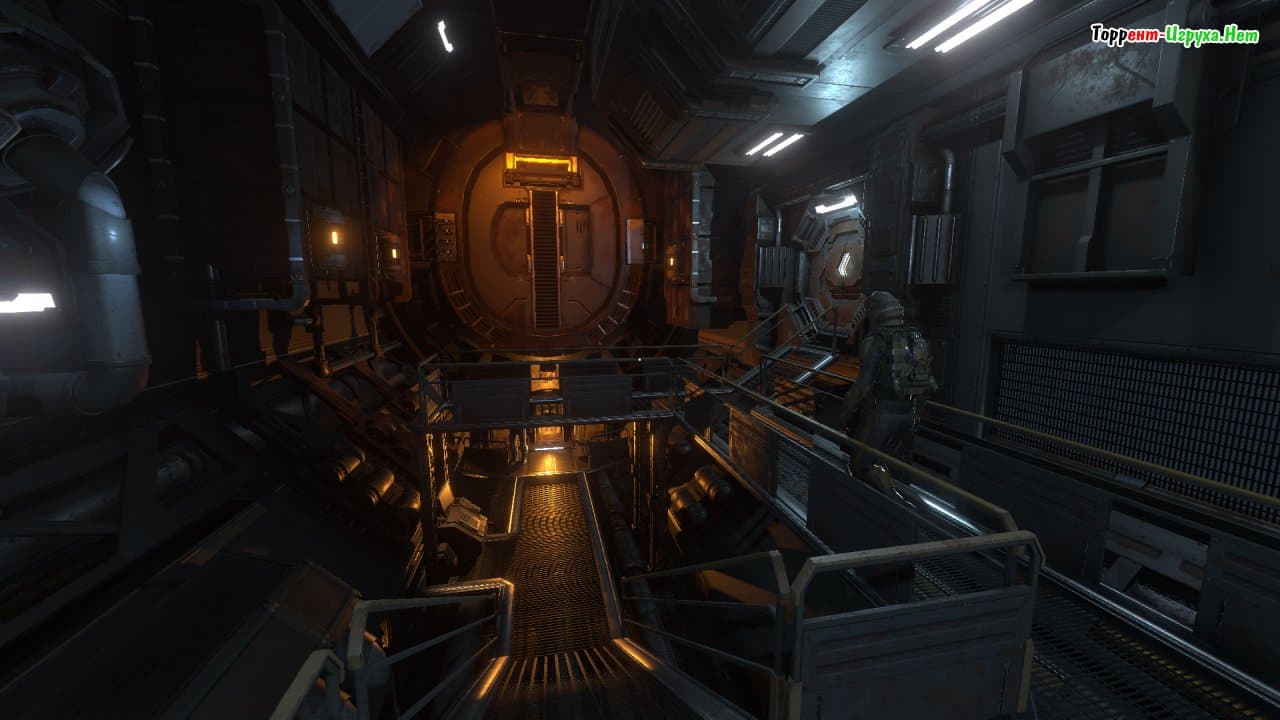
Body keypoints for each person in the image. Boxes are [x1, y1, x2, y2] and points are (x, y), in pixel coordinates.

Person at [840, 291, 937, 479]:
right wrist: (916, 417)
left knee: (861, 468)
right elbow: (923, 388)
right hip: (908, 416)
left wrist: (846, 415)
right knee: (899, 473)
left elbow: (861, 388)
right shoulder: (916, 339)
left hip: (881, 415)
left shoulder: (874, 342)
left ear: (875, 314)